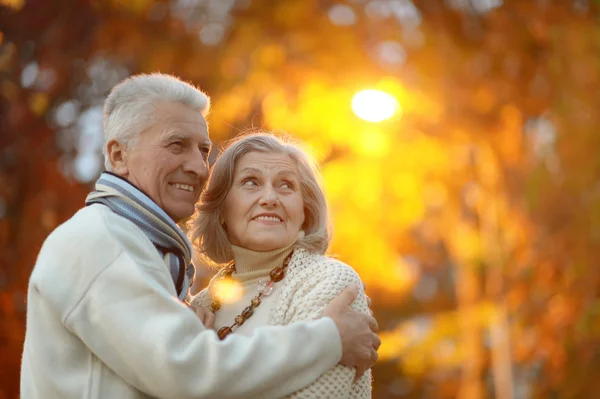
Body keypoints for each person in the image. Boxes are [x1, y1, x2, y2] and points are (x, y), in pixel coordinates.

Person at [20, 73, 380, 399]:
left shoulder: (323, 283)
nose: (197, 166)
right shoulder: (103, 241)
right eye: (176, 145)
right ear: (118, 155)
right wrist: (328, 338)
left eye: (203, 150)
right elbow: (184, 369)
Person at [189, 133, 373, 398]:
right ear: (221, 208)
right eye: (251, 182)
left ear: (304, 211)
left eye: (285, 185)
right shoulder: (203, 305)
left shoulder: (328, 281)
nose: (269, 198)